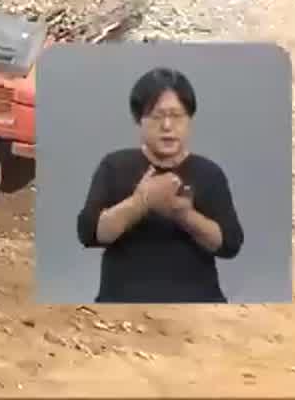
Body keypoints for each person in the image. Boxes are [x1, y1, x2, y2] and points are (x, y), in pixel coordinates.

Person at [76, 67, 244, 302]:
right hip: (123, 302)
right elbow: (90, 233)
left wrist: (184, 214)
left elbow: (229, 244)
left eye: (176, 115)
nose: (167, 126)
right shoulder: (114, 166)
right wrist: (141, 202)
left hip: (199, 305)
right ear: (139, 120)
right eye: (156, 116)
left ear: (189, 120)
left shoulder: (208, 173)